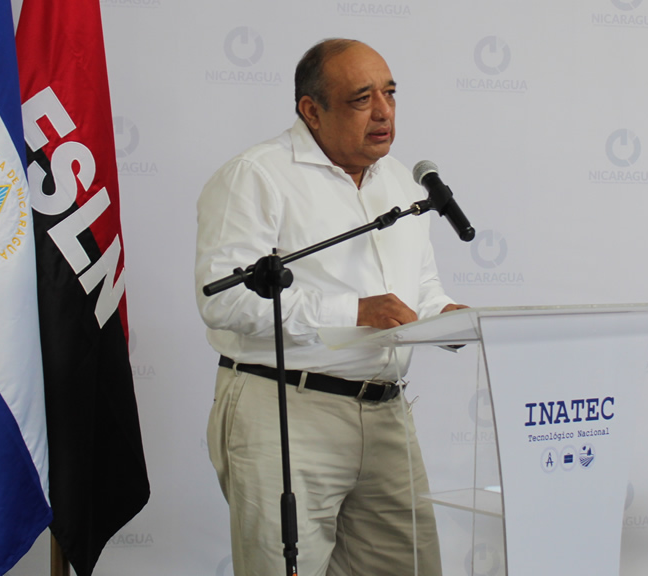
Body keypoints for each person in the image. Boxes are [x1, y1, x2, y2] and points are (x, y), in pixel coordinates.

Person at [195, 38, 465, 576]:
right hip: (286, 410)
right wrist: (354, 311)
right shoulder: (257, 176)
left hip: (387, 413)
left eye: (390, 94)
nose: (384, 112)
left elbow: (420, 289)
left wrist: (447, 316)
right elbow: (223, 298)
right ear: (311, 110)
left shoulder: (400, 181)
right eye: (363, 99)